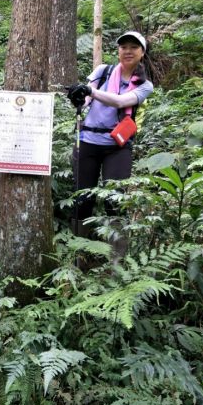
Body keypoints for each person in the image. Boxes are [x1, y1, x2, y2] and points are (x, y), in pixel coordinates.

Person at [66, 31, 153, 259]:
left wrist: (91, 91)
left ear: (142, 53)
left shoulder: (145, 85)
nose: (127, 51)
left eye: (134, 47)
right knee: (82, 199)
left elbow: (121, 101)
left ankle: (117, 260)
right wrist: (79, 97)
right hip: (87, 142)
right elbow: (86, 100)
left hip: (118, 146)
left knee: (116, 200)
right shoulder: (102, 71)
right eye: (123, 46)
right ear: (118, 50)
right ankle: (79, 254)